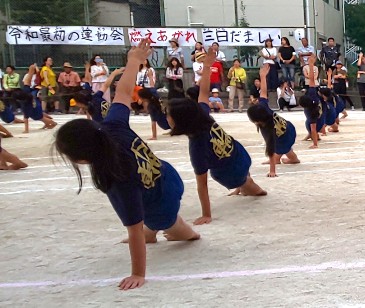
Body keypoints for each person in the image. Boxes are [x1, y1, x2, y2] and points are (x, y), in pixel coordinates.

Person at [54, 39, 200, 291]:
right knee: (149, 217)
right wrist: (133, 61)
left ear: (82, 158)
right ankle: (153, 231)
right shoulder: (112, 126)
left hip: (163, 200)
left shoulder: (113, 175)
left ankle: (171, 230)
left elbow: (133, 226)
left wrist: (138, 274)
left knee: (180, 231)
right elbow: (122, 92)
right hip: (167, 174)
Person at [166, 47, 267, 225]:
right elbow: (204, 92)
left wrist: (206, 214)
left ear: (182, 121)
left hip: (231, 173)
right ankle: (245, 185)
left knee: (253, 188)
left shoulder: (197, 146)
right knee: (242, 177)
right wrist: (206, 67)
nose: (166, 118)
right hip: (240, 153)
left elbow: (202, 185)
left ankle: (249, 186)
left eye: (169, 115)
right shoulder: (203, 114)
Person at [247, 65, 300, 177]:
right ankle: (293, 159)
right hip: (288, 128)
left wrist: (272, 171)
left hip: (285, 134)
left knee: (280, 149)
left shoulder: (267, 128)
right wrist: (263, 76)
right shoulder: (263, 107)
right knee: (285, 149)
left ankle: (283, 159)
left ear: (257, 121)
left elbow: (270, 148)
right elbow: (264, 92)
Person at [15, 65, 57, 133]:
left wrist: (26, 130)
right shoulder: (26, 91)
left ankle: (53, 123)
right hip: (36, 104)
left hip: (34, 107)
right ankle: (47, 123)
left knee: (39, 117)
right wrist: (31, 71)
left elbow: (26, 119)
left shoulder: (25, 105)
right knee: (39, 116)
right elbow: (27, 81)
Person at [299, 56, 325, 149]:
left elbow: (314, 129)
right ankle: (314, 136)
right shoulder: (314, 97)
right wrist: (310, 65)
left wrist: (315, 144)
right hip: (321, 118)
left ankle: (314, 138)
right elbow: (312, 81)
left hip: (318, 122)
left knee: (310, 126)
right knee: (311, 125)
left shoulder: (310, 112)